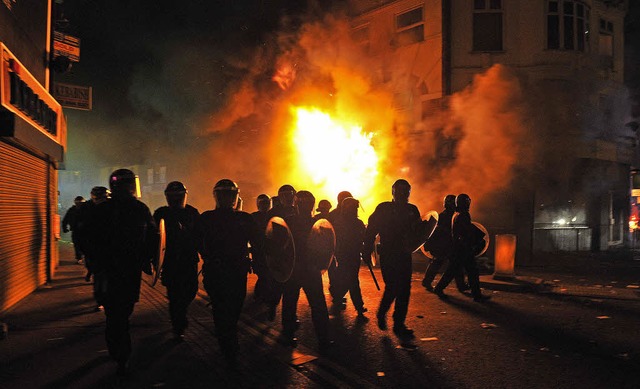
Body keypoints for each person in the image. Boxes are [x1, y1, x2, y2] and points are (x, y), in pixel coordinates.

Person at [88, 169, 157, 377]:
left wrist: (95, 263)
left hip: (111, 272)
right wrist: (148, 261)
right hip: (125, 271)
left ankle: (117, 351)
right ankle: (122, 355)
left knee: (115, 314)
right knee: (120, 314)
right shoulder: (139, 209)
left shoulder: (103, 209)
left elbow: (88, 238)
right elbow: (153, 238)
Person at [195, 179, 263, 366]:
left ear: (235, 196)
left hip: (236, 272)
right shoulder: (206, 218)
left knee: (232, 310)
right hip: (216, 272)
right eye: (223, 194)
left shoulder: (244, 218)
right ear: (216, 196)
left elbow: (260, 242)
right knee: (221, 309)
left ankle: (227, 341)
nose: (227, 198)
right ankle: (228, 346)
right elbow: (194, 242)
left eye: (230, 194)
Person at [362, 179, 421, 340]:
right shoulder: (384, 209)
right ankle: (382, 313)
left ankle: (399, 324)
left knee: (405, 290)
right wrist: (367, 249)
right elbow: (372, 230)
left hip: (404, 254)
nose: (403, 193)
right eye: (400, 190)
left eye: (406, 190)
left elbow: (419, 232)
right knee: (393, 286)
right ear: (393, 192)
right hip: (389, 253)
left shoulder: (412, 210)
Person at [281, 190, 333, 351]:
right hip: (297, 269)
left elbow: (325, 245)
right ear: (297, 205)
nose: (306, 207)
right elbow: (280, 246)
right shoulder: (288, 222)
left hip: (309, 269)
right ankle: (290, 336)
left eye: (308, 204)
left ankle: (322, 338)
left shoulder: (316, 222)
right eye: (303, 204)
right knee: (294, 303)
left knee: (315, 305)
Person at [153, 181, 200, 340]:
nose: (176, 199)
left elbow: (200, 235)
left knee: (190, 291)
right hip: (171, 262)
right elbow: (155, 239)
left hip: (188, 261)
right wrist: (154, 261)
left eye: (178, 196)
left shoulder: (192, 213)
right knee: (174, 296)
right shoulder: (161, 213)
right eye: (173, 196)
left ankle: (180, 314)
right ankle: (178, 325)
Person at [434, 194, 491, 303]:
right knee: (468, 271)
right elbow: (465, 232)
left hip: (459, 248)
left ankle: (476, 294)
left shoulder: (457, 214)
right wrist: (474, 242)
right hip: (463, 249)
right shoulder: (463, 215)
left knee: (458, 271)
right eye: (467, 202)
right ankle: (476, 295)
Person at [422, 194, 469, 293]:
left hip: (449, 244)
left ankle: (460, 285)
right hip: (443, 244)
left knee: (455, 264)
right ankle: (428, 282)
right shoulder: (443, 216)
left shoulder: (451, 215)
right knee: (440, 263)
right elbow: (436, 231)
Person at [330, 197, 367, 317]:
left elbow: (363, 237)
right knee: (351, 281)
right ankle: (356, 305)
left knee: (351, 280)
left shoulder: (357, 223)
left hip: (353, 255)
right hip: (344, 255)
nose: (354, 210)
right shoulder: (340, 223)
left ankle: (338, 297)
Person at [76, 186, 110, 285]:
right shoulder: (87, 207)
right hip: (92, 241)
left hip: (103, 241)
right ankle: (92, 273)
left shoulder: (112, 206)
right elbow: (81, 224)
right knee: (91, 260)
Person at [326, 190, 352, 309]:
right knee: (337, 274)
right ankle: (337, 295)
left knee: (341, 274)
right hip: (336, 248)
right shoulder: (334, 215)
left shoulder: (342, 213)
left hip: (344, 249)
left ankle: (337, 294)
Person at [251, 194, 272, 303]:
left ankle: (261, 295)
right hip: (258, 251)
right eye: (263, 203)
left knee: (267, 274)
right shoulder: (253, 217)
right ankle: (260, 295)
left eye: (266, 203)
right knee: (263, 274)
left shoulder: (273, 216)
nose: (265, 205)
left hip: (270, 250)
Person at [62, 195, 86, 263]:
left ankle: (82, 257)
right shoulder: (72, 210)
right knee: (77, 244)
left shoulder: (86, 210)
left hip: (85, 231)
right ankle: (79, 258)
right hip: (76, 230)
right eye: (77, 203)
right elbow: (65, 219)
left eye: (80, 203)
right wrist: (64, 227)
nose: (79, 205)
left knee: (82, 244)